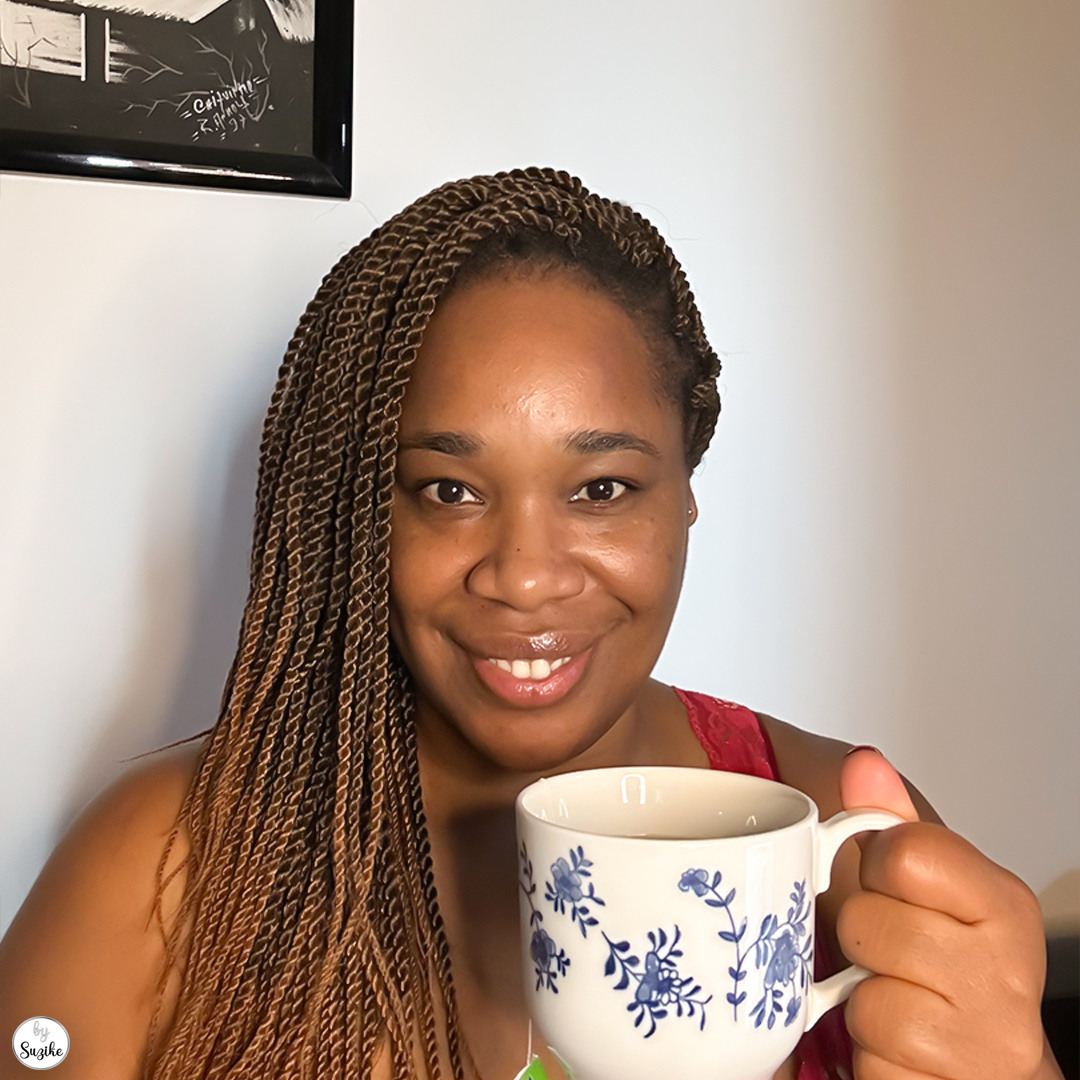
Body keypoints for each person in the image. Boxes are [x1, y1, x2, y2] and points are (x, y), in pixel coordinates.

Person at [0, 168, 1060, 1080]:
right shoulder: (157, 865)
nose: (524, 576)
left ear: (684, 495)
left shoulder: (845, 838)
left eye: (601, 489)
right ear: (356, 508)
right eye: (447, 491)